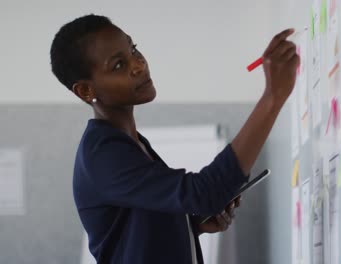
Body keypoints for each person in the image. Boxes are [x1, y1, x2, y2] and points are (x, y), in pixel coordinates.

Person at [50, 14, 299, 264]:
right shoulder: (103, 154)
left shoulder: (132, 142)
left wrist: (191, 226)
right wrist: (272, 97)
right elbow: (203, 192)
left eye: (133, 49)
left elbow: (140, 229)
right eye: (118, 65)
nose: (138, 64)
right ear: (86, 90)